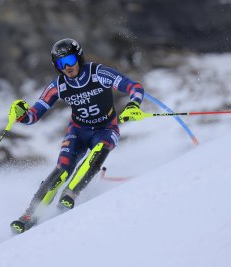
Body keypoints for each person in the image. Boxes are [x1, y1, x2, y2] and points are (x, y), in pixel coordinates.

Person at [9, 38, 146, 234]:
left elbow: (134, 87)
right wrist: (21, 115)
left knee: (99, 152)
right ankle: (30, 215)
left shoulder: (97, 73)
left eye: (70, 60)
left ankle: (70, 194)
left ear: (79, 57)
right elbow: (34, 115)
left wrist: (133, 104)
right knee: (63, 169)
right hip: (78, 131)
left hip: (106, 128)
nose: (67, 67)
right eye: (61, 64)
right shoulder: (59, 85)